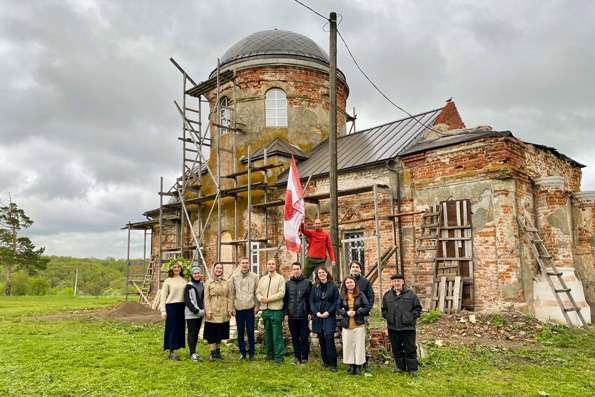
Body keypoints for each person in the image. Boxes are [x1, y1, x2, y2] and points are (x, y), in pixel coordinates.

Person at [381, 274, 422, 377]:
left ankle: (412, 369)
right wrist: (389, 317)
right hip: (393, 327)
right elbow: (384, 310)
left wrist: (411, 317)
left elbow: (417, 308)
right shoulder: (387, 295)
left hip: (408, 327)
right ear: (392, 283)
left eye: (399, 281)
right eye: (394, 281)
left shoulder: (411, 295)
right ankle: (400, 367)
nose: (397, 283)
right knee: (396, 348)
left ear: (403, 282)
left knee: (410, 348)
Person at [337, 276, 371, 375]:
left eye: (351, 282)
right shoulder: (342, 295)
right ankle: (351, 366)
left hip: (358, 324)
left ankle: (358, 367)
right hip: (347, 324)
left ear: (355, 283)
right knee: (348, 346)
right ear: (345, 285)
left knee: (359, 346)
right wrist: (345, 313)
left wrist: (357, 312)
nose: (349, 284)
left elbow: (367, 306)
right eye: (347, 283)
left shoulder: (360, 294)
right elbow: (337, 308)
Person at [256, 258, 286, 363]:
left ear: (276, 266)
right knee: (267, 334)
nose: (271, 265)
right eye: (269, 264)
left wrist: (268, 299)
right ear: (267, 266)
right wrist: (260, 298)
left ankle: (279, 357)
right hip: (265, 310)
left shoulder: (280, 278)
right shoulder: (262, 279)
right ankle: (269, 354)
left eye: (273, 264)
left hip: (276, 310)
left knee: (277, 334)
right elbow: (258, 292)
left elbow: (281, 293)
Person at [309, 266, 339, 372]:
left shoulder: (333, 286)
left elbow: (336, 301)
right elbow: (311, 301)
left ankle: (333, 364)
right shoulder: (315, 287)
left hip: (329, 316)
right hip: (318, 317)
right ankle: (325, 362)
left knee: (329, 338)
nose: (321, 274)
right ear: (317, 275)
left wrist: (328, 312)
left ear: (327, 273)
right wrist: (316, 312)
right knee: (321, 339)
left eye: (323, 272)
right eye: (319, 273)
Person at [229, 257, 259, 361]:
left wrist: (257, 306)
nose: (245, 265)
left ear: (249, 264)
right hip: (239, 308)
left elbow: (256, 292)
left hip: (250, 308)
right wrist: (232, 307)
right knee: (240, 331)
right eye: (243, 263)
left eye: (247, 263)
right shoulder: (234, 277)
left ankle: (251, 353)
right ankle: (242, 352)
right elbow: (232, 293)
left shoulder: (255, 277)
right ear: (240, 264)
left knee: (250, 331)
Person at [204, 262, 233, 361]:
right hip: (213, 310)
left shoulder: (226, 282)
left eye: (220, 268)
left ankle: (218, 352)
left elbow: (230, 296)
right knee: (212, 332)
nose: (219, 270)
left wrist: (230, 309)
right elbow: (206, 298)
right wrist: (208, 311)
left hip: (223, 310)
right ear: (213, 269)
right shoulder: (208, 282)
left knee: (220, 332)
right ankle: (212, 353)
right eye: (217, 268)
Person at [283, 261, 312, 364]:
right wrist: (285, 313)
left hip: (303, 314)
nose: (296, 271)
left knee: (304, 336)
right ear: (292, 270)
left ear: (301, 270)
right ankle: (297, 357)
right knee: (294, 337)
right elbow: (285, 300)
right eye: (294, 269)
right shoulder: (288, 284)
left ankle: (304, 357)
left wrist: (309, 312)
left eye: (297, 269)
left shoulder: (307, 283)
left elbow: (309, 299)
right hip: (291, 315)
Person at [349, 261, 374, 371]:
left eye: (357, 267)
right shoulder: (347, 281)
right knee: (351, 340)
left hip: (362, 316)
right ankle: (353, 362)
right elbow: (341, 297)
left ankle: (365, 362)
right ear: (350, 269)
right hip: (349, 316)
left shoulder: (365, 282)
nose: (355, 269)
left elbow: (371, 298)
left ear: (360, 269)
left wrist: (363, 310)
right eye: (353, 267)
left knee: (364, 340)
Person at [159, 262, 187, 360]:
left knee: (179, 328)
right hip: (171, 306)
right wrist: (163, 310)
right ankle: (171, 351)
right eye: (174, 267)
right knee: (172, 328)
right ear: (171, 269)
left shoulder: (184, 280)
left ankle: (176, 348)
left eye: (178, 267)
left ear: (181, 269)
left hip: (181, 306)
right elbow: (163, 296)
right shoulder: (168, 281)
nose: (176, 269)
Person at [184, 266, 205, 362]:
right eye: (195, 273)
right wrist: (197, 311)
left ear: (201, 274)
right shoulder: (188, 286)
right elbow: (188, 300)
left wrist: (203, 311)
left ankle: (194, 352)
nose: (197, 275)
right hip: (192, 314)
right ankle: (192, 353)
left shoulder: (202, 285)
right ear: (192, 275)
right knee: (192, 333)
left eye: (198, 273)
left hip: (200, 314)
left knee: (196, 333)